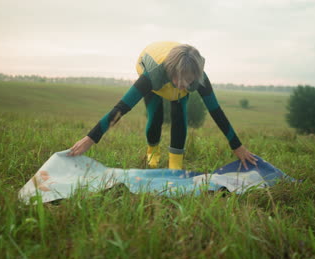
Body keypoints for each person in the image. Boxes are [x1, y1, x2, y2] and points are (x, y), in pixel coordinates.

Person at [68, 41, 257, 169]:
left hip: (176, 69)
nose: (183, 84)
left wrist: (237, 146)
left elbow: (216, 111)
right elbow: (120, 109)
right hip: (150, 65)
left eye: (188, 80)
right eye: (179, 79)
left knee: (179, 114)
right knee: (155, 115)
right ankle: (153, 149)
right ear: (170, 71)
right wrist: (90, 139)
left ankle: (175, 163)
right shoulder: (154, 75)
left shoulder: (198, 77)